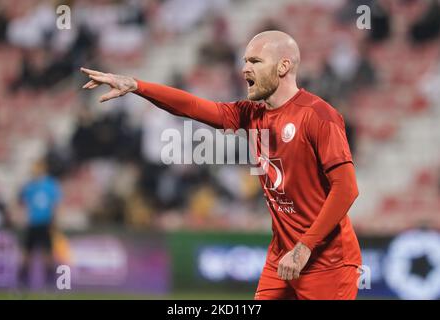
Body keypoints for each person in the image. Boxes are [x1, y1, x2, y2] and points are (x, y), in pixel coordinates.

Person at [81, 30, 362, 300]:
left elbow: (347, 188)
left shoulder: (319, 115)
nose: (245, 69)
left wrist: (304, 248)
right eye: (244, 61)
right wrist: (136, 86)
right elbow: (192, 107)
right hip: (283, 255)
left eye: (255, 61)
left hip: (327, 260)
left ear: (283, 66)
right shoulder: (251, 114)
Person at [18, 159, 61, 288]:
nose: (36, 171)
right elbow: (22, 202)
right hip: (32, 223)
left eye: (38, 168)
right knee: (27, 253)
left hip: (45, 223)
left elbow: (55, 205)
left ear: (43, 169)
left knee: (47, 253)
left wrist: (54, 221)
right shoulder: (30, 186)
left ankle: (50, 281)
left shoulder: (50, 185)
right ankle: (23, 281)